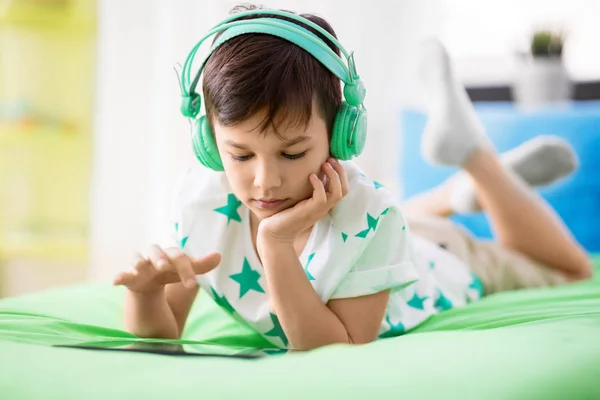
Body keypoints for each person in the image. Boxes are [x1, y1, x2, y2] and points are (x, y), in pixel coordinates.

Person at [113, 5, 592, 351]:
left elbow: (331, 346)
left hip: (434, 256)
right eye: (239, 154)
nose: (265, 181)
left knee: (573, 270)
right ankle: (456, 192)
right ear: (207, 140)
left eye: (293, 152)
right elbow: (165, 331)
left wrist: (276, 247)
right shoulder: (202, 199)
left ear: (342, 136)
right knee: (393, 212)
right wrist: (145, 293)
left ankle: (476, 158)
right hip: (367, 228)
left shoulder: (373, 212)